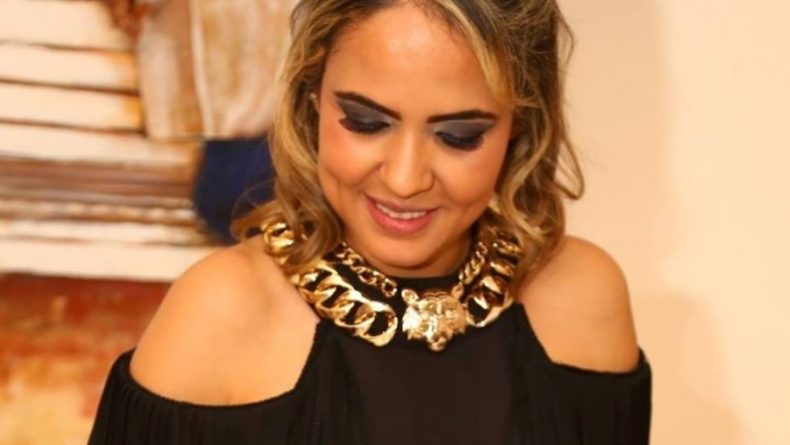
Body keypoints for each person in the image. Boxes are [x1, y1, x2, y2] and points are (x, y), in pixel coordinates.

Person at [88, 0, 652, 444]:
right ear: (312, 93)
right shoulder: (220, 311)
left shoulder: (584, 297)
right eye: (365, 122)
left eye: (459, 136)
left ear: (522, 124)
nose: (405, 180)